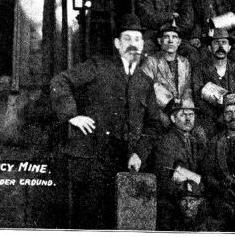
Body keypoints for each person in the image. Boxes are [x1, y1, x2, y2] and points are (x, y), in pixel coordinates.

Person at [50, 13, 162, 229]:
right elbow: (60, 81)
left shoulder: (145, 81)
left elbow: (154, 124)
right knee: (92, 219)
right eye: (127, 39)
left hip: (126, 162)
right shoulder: (98, 66)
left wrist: (140, 153)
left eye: (137, 39)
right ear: (117, 44)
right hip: (93, 159)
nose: (133, 44)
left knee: (122, 221)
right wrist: (71, 115)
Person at [153, 99, 207, 229]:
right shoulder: (167, 142)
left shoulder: (192, 140)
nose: (188, 119)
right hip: (173, 202)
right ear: (173, 118)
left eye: (191, 115)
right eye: (183, 115)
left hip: (189, 197)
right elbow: (163, 180)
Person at [192, 29, 235, 137]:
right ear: (209, 47)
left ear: (229, 47)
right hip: (208, 117)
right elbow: (197, 98)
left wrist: (230, 114)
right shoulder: (200, 69)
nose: (220, 47)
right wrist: (217, 116)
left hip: (233, 115)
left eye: (224, 42)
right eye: (216, 43)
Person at [141, 23, 193, 128]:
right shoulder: (151, 62)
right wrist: (161, 116)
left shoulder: (185, 62)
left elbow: (187, 90)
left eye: (174, 37)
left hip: (180, 113)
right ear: (159, 41)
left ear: (179, 42)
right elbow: (145, 93)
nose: (170, 41)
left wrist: (184, 112)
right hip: (159, 115)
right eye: (166, 37)